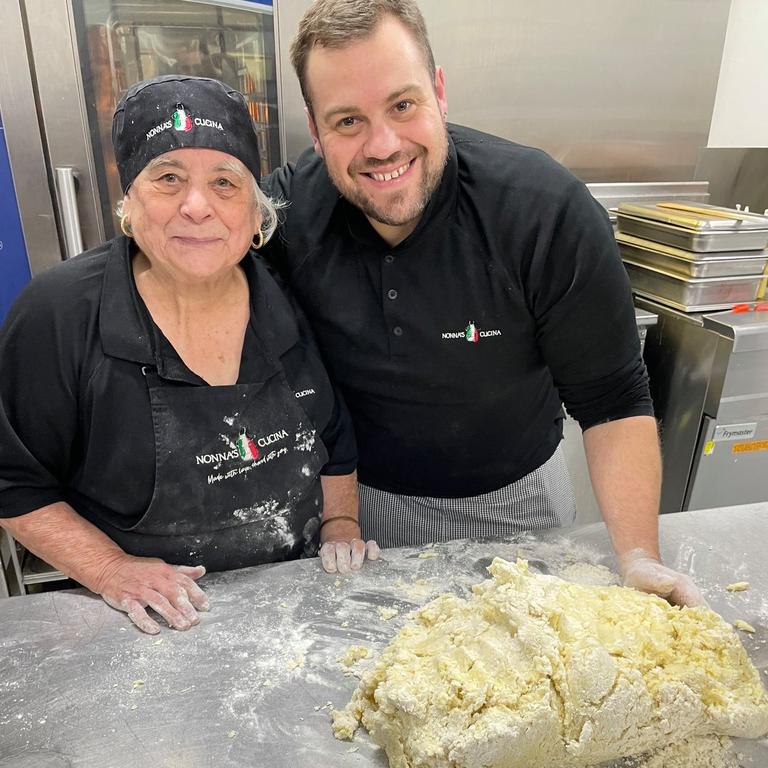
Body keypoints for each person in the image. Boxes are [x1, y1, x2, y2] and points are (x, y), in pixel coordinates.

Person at [261, 0, 704, 606]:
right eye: (347, 122)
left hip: (522, 507)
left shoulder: (543, 211)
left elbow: (614, 402)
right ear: (316, 131)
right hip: (367, 515)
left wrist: (638, 557)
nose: (383, 145)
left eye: (403, 104)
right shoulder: (288, 217)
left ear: (440, 92)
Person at [0, 75, 378, 635]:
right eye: (168, 178)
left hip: (298, 605)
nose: (197, 206)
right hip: (148, 619)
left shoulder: (291, 296)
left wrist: (341, 524)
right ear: (129, 202)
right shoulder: (58, 315)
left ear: (255, 216)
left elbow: (334, 439)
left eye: (224, 183)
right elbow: (14, 482)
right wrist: (110, 569)